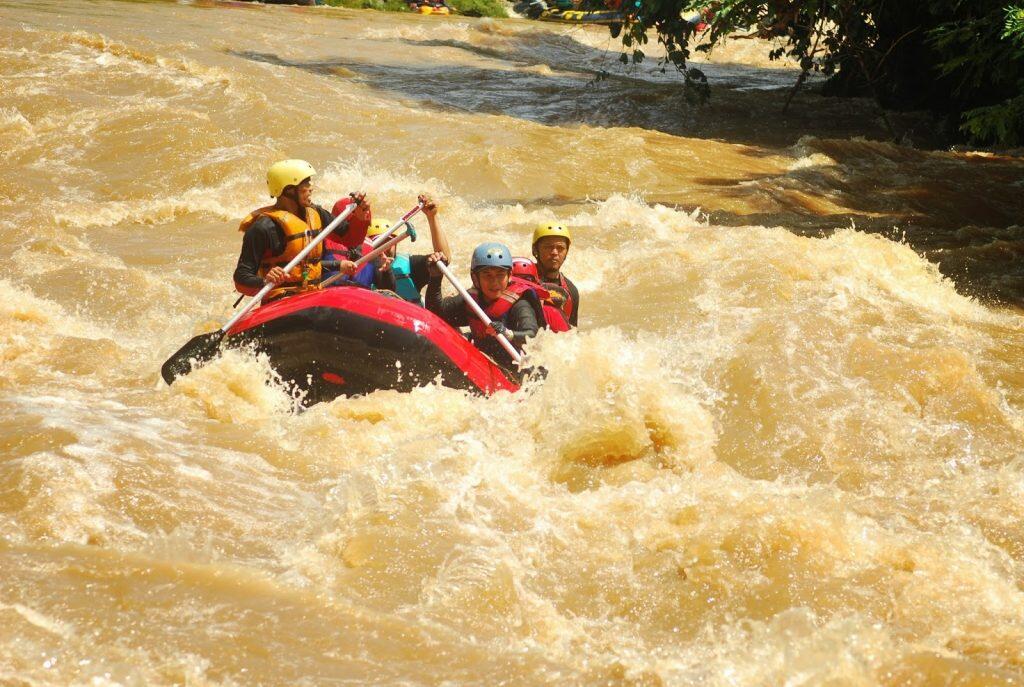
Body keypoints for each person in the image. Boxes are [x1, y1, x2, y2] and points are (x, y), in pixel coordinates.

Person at [234, 159, 359, 301]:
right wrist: (265, 281)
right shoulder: (263, 227)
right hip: (281, 301)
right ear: (289, 190)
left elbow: (350, 237)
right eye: (305, 183)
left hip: (312, 295)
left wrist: (361, 215)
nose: (311, 187)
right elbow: (241, 277)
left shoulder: (316, 213)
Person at [425, 242, 539, 369]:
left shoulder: (520, 304)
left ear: (509, 276)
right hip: (481, 360)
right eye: (487, 275)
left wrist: (508, 333)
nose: (494, 282)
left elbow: (533, 335)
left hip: (513, 367)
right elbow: (436, 314)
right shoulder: (471, 299)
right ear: (475, 278)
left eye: (500, 275)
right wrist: (435, 277)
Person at [374, 194, 451, 305]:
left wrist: (432, 217)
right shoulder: (361, 268)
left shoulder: (411, 266)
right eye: (379, 244)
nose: (384, 249)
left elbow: (443, 259)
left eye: (388, 242)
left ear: (395, 244)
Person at [531, 223, 579, 327]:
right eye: (548, 247)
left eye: (560, 248)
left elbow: (573, 335)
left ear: (566, 252)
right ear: (535, 250)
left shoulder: (571, 291)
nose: (554, 252)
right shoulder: (523, 278)